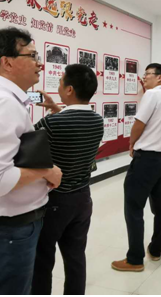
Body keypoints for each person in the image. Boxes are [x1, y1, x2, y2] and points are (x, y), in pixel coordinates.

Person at [0, 27, 62, 295]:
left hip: (11, 228)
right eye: (32, 55)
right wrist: (46, 171)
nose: (40, 63)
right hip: (7, 231)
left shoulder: (4, 100)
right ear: (7, 62)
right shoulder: (2, 103)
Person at [31, 64, 104, 295]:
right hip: (82, 198)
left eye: (61, 82)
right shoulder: (98, 120)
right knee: (75, 256)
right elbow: (72, 130)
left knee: (43, 258)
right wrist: (56, 108)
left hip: (55, 201)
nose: (59, 87)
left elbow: (26, 143)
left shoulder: (52, 123)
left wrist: (54, 113)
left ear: (70, 89)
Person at [112, 63, 161, 272]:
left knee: (133, 207)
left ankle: (134, 259)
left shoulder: (152, 95)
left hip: (146, 159)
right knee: (160, 206)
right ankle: (156, 250)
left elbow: (139, 123)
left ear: (160, 77)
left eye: (148, 74)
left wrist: (131, 143)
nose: (144, 77)